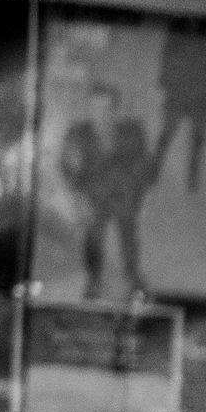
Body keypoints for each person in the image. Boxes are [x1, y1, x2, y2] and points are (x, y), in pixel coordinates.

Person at [61, 81, 156, 301]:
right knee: (93, 240)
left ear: (116, 109)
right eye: (94, 108)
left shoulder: (134, 131)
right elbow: (67, 167)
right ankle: (93, 278)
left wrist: (142, 201)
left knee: (129, 237)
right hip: (94, 199)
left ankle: (132, 275)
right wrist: (77, 198)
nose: (99, 114)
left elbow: (143, 167)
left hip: (125, 197)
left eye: (105, 108)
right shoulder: (77, 133)